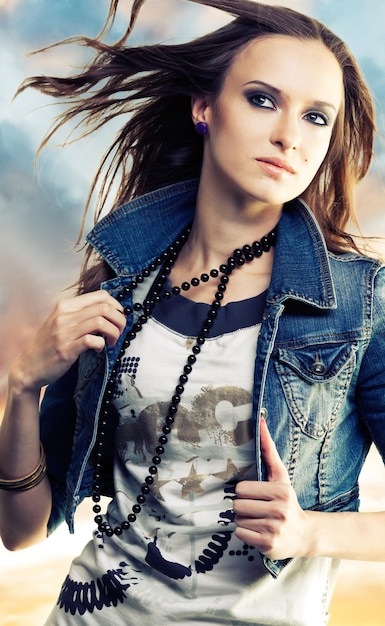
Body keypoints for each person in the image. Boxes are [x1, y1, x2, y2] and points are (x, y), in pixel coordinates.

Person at [0, 0, 383, 624]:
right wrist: (22, 386)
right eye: (263, 99)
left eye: (317, 117)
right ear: (205, 109)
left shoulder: (359, 305)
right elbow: (21, 531)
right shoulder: (119, 286)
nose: (291, 133)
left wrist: (310, 532)